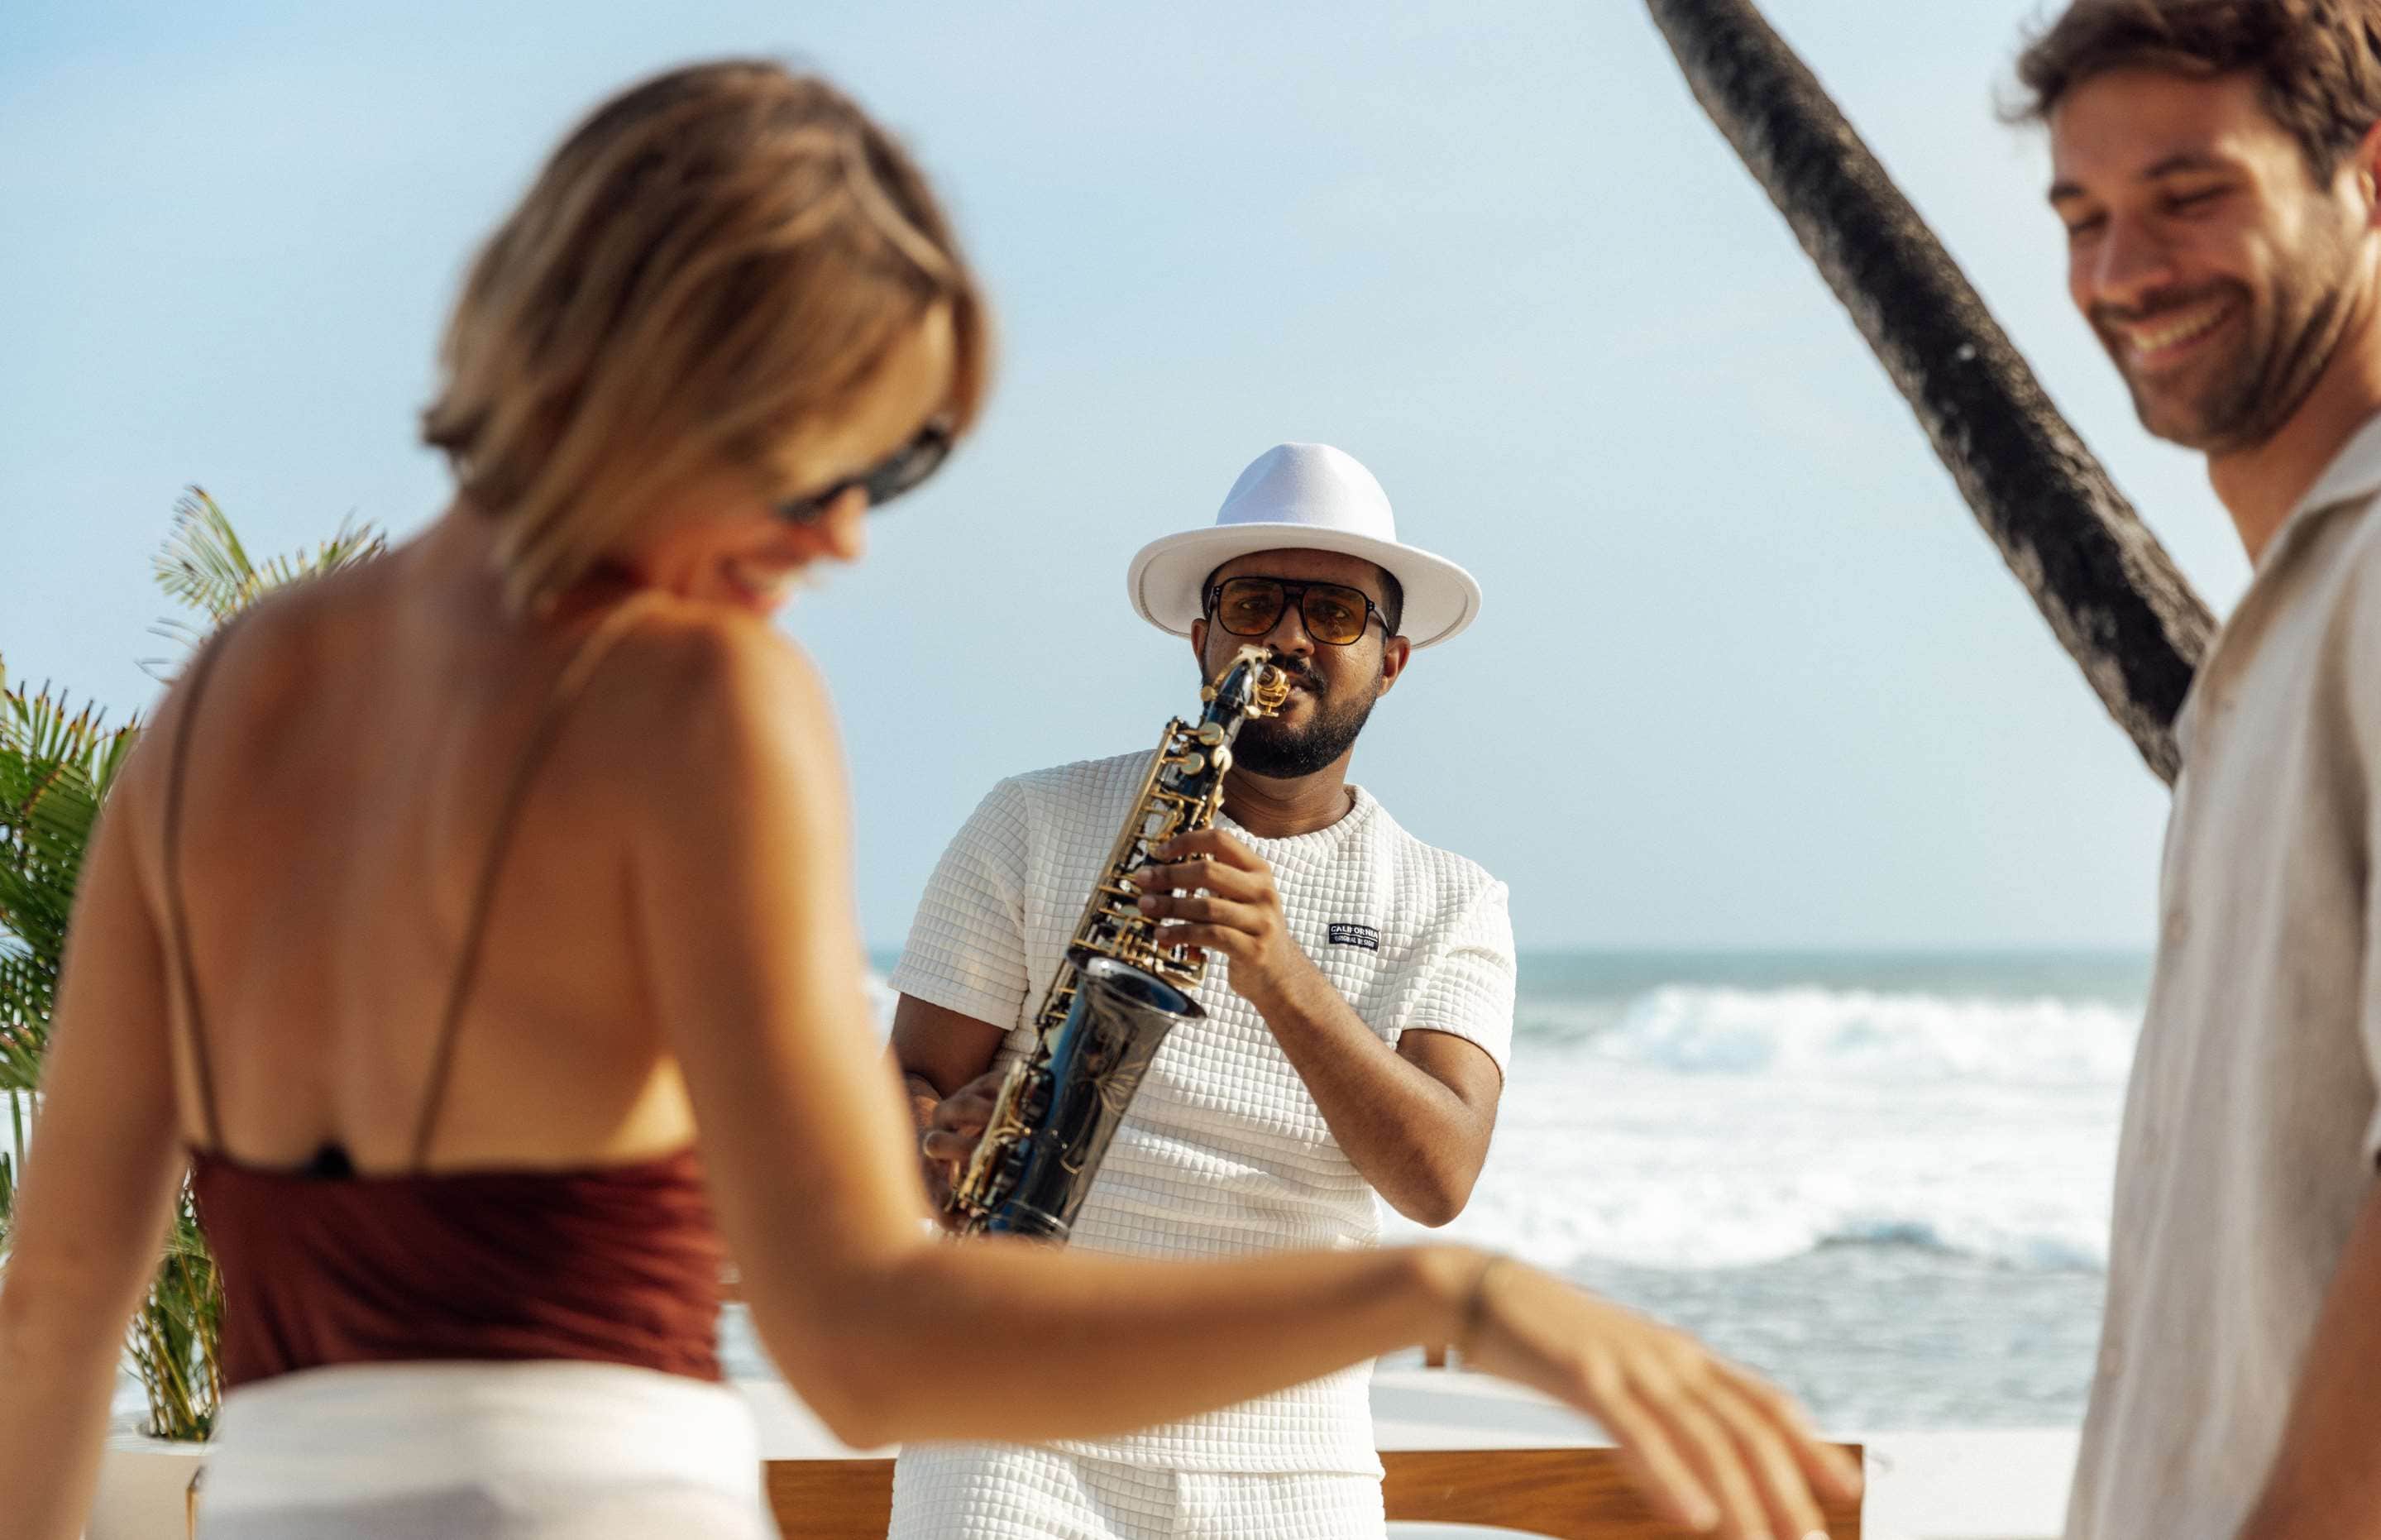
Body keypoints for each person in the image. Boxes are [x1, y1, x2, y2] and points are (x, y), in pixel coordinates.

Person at [0, 59, 1857, 1540]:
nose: (847, 535)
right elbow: (871, 1348)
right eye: (846, 444)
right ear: (683, 370)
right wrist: (1449, 1305)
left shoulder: (231, 696)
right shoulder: (709, 696)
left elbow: (59, 1293)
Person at [889, 441, 1514, 1540]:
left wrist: (1278, 970)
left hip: (1293, 1457)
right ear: (1202, 635)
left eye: (1333, 612)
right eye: (1256, 602)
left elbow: (1440, 1177)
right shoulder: (1029, 822)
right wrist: (942, 1138)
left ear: (1393, 658)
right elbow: (906, 1096)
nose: (1286, 636)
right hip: (1012, 1417)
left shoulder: (1451, 898)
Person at [2012, 3, 2381, 1535]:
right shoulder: (2286, 625)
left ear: (2367, 177)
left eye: (2191, 195)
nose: (2119, 275)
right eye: (2083, 218)